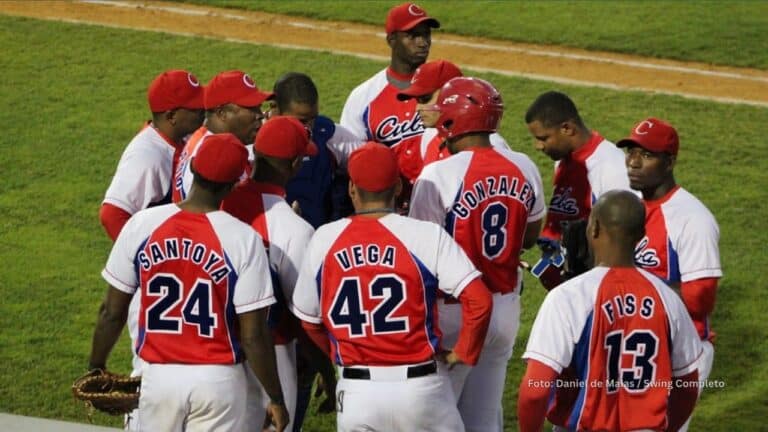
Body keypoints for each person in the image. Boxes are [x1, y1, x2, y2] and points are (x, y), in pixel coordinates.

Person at [88, 133, 289, 431]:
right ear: (234, 184)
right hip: (218, 382)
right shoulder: (243, 239)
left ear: (192, 166)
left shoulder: (143, 224)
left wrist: (96, 366)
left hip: (158, 379)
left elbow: (111, 312)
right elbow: (253, 335)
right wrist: (275, 397)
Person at [291, 142, 493, 432]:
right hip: (421, 390)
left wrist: (338, 354)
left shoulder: (324, 239)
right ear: (398, 187)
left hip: (358, 394)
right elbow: (479, 300)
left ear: (351, 189)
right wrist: (463, 351)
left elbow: (309, 322)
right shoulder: (425, 235)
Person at [409, 77, 545, 432]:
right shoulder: (525, 166)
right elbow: (530, 236)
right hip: (504, 311)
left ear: (456, 118)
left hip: (455, 313)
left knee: (435, 419)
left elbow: (420, 256)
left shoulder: (437, 175)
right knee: (484, 418)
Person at [518, 190, 702, 432]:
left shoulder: (568, 298)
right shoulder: (668, 299)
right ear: (641, 236)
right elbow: (688, 385)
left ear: (593, 228)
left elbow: (535, 391)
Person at [617, 118, 722, 431]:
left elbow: (700, 299)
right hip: (637, 347)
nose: (633, 162)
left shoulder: (692, 219)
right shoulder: (630, 209)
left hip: (679, 353)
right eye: (630, 152)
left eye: (646, 156)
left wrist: (635, 286)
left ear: (670, 162)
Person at [220, 116, 318, 432]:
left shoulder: (217, 202)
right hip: (271, 360)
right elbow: (307, 312)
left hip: (208, 353)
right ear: (295, 164)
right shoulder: (292, 227)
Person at [524, 91, 631, 289]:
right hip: (570, 281)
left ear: (567, 128)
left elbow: (628, 235)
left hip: (598, 285)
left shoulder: (611, 168)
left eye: (543, 138)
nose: (538, 146)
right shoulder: (564, 161)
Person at [340, 2, 440, 206]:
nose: (423, 42)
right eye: (413, 35)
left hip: (438, 202)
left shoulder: (445, 89)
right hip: (390, 210)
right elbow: (353, 161)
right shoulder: (363, 97)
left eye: (426, 34)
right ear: (391, 39)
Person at [100, 69, 205, 241]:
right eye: (195, 107)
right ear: (171, 116)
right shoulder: (146, 156)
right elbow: (112, 215)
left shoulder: (182, 136)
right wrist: (142, 259)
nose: (203, 109)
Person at [270, 72, 362, 228]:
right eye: (302, 121)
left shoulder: (328, 135)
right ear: (275, 108)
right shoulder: (252, 141)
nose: (309, 128)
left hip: (321, 236)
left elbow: (371, 164)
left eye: (314, 119)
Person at [172, 70, 272, 202]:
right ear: (222, 113)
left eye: (259, 107)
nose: (260, 115)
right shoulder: (212, 161)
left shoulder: (208, 142)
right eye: (251, 108)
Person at [396, 59, 512, 171]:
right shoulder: (429, 135)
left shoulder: (492, 145)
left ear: (451, 95)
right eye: (417, 101)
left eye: (425, 99)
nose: (417, 109)